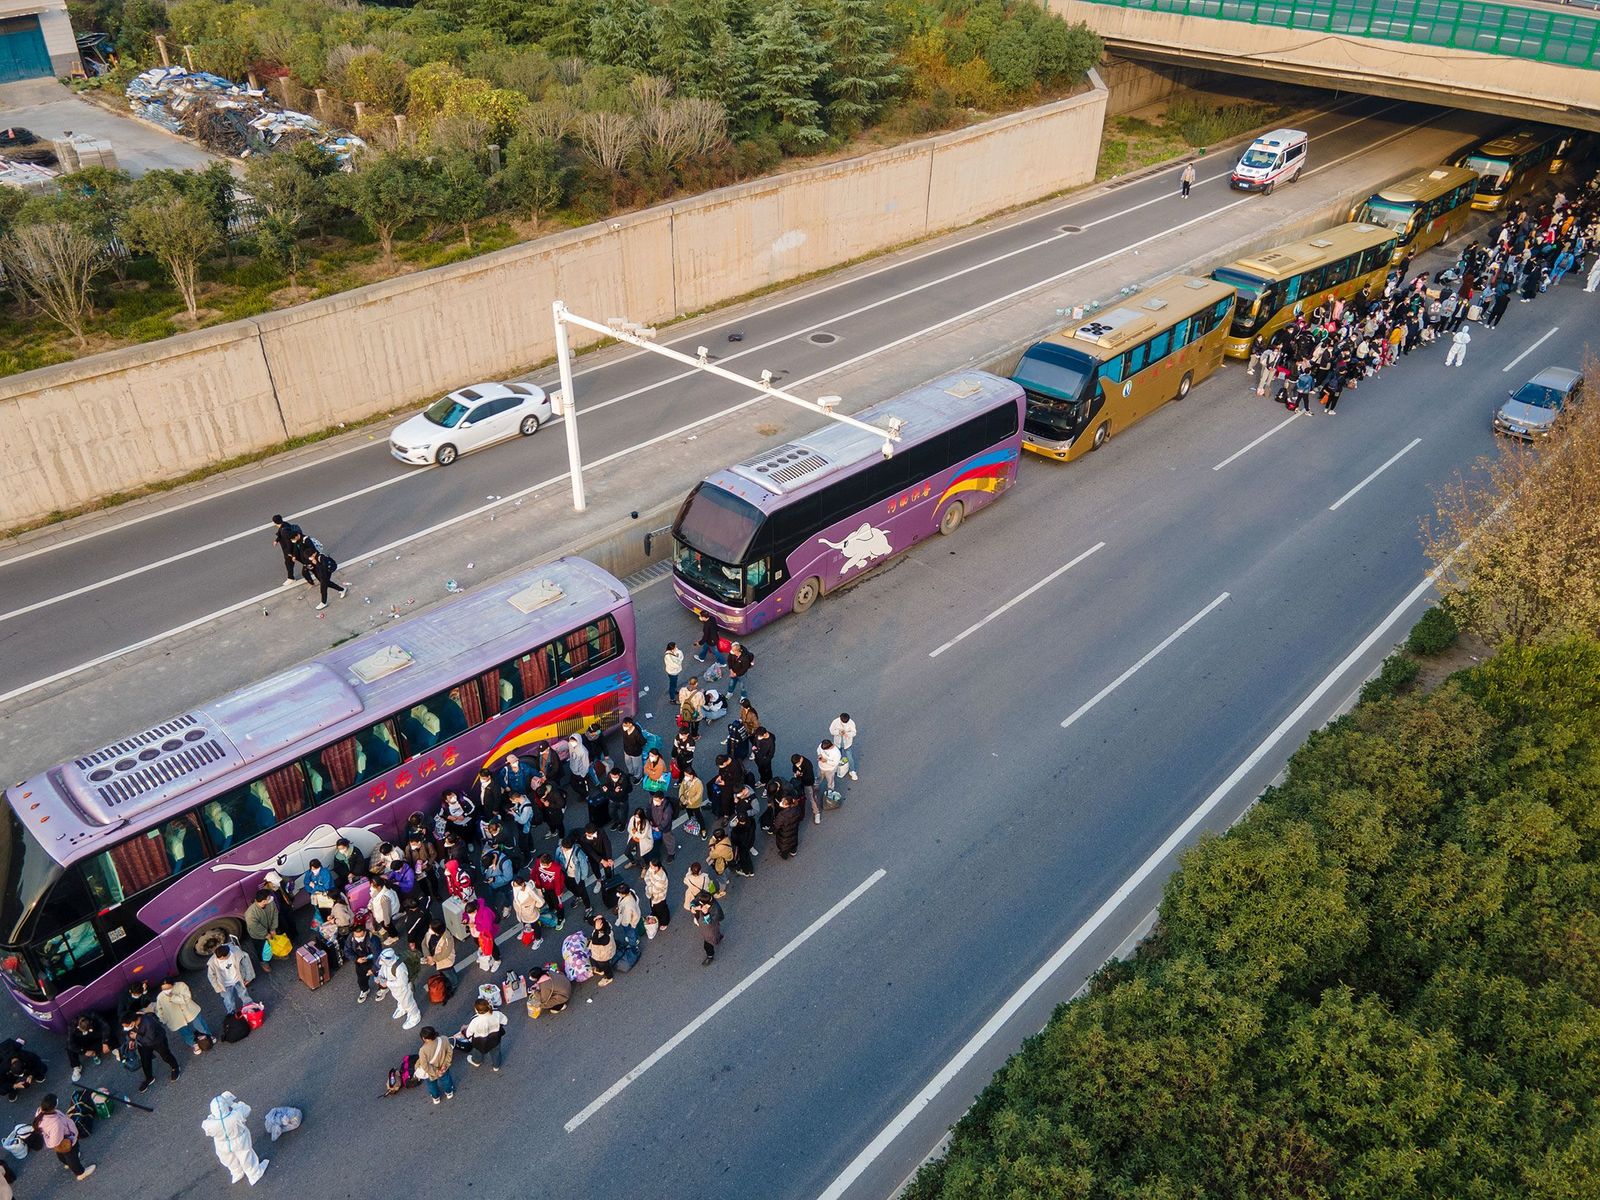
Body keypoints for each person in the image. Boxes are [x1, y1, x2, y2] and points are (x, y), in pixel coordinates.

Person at [203, 1091, 267, 1185]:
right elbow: (247, 1109)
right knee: (245, 1156)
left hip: (222, 1145)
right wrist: (232, 1104)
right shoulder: (236, 1115)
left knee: (229, 1159)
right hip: (239, 1141)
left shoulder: (210, 1124)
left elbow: (206, 1127)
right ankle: (254, 1174)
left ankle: (237, 1172)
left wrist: (212, 1116)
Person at [34, 1094, 94, 1181]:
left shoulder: (40, 1113)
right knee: (72, 1157)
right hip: (67, 1140)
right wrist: (71, 1138)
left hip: (60, 1142)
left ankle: (66, 1163)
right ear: (53, 1106)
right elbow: (55, 1141)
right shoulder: (55, 1124)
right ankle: (80, 1173)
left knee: (62, 1154)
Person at [122, 1010, 180, 1093]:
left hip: (157, 1041)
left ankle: (175, 1067)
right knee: (145, 1061)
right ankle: (149, 1078)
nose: (125, 1028)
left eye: (126, 1026)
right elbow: (130, 1033)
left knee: (166, 1055)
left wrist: (136, 1037)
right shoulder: (133, 1024)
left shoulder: (148, 1022)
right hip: (143, 1044)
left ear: (133, 1022)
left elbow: (150, 1039)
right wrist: (132, 1040)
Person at [155, 978, 213, 1054]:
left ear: (172, 985)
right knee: (185, 1032)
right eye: (164, 989)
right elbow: (159, 1010)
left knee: (200, 1024)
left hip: (190, 1011)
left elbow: (186, 999)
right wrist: (163, 1019)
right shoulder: (160, 997)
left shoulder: (181, 986)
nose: (166, 990)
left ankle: (208, 1036)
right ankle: (194, 1044)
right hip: (176, 1018)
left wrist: (173, 997)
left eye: (168, 988)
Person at [377, 947, 421, 1030]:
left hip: (404, 990)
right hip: (395, 989)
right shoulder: (387, 963)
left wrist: (387, 983)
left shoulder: (400, 968)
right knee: (399, 999)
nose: (380, 962)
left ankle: (415, 1016)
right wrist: (380, 976)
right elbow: (382, 969)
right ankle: (402, 1007)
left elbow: (402, 983)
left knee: (409, 1003)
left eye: (382, 960)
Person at [206, 942, 256, 1014]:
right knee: (228, 1000)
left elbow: (246, 964)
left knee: (243, 994)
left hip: (237, 979)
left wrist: (248, 977)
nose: (220, 959)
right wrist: (217, 987)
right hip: (224, 985)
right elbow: (211, 976)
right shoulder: (213, 962)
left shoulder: (235, 953)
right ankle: (231, 1013)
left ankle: (249, 1006)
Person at [67, 1012, 117, 1082]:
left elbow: (106, 1026)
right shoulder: (72, 1025)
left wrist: (105, 1043)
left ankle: (114, 1048)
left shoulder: (93, 1015)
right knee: (69, 1048)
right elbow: (70, 1043)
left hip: (95, 1036)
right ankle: (76, 1066)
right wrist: (84, 1051)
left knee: (109, 1035)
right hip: (84, 1042)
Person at [463, 998, 509, 1071]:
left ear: (476, 1010)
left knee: (478, 1051)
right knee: (496, 1052)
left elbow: (468, 1034)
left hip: (480, 1042)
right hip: (495, 1039)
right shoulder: (496, 1014)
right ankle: (496, 1066)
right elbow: (505, 1021)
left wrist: (464, 1030)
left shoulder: (475, 1021)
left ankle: (477, 1061)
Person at [243, 889, 279, 973]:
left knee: (272, 944)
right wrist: (266, 934)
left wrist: (273, 928)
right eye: (268, 898)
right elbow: (255, 927)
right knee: (261, 949)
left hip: (270, 929)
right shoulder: (250, 914)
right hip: (258, 936)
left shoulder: (270, 903)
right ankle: (263, 962)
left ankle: (274, 953)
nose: (270, 898)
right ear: (263, 901)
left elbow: (275, 914)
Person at [421, 919, 460, 991]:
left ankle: (454, 984)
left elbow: (445, 954)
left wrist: (432, 959)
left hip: (445, 962)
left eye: (430, 928)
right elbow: (424, 944)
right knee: (445, 972)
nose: (429, 929)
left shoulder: (447, 939)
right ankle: (448, 979)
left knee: (449, 973)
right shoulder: (429, 933)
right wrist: (428, 955)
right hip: (436, 961)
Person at [271, 515, 304, 586]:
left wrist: (290, 553)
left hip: (290, 551)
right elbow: (280, 534)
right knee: (292, 563)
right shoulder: (285, 524)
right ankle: (291, 577)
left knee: (290, 563)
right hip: (290, 550)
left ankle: (291, 578)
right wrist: (276, 540)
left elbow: (290, 543)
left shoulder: (284, 531)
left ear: (275, 523)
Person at [691, 895, 723, 966]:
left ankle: (710, 956)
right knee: (716, 932)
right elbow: (694, 901)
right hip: (711, 926)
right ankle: (718, 937)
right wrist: (693, 907)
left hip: (710, 929)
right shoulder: (706, 898)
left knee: (707, 944)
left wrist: (705, 913)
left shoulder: (713, 911)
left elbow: (707, 923)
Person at [643, 860, 671, 933]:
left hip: (659, 897)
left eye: (651, 866)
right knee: (654, 907)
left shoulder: (661, 877)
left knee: (662, 910)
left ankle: (665, 922)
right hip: (653, 896)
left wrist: (649, 886)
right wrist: (650, 885)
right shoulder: (652, 869)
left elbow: (655, 890)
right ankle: (655, 915)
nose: (650, 867)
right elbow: (647, 877)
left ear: (656, 867)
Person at [772, 791, 803, 860]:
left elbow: (777, 826)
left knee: (784, 846)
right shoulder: (797, 808)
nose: (780, 803)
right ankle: (793, 852)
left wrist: (774, 831)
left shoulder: (781, 815)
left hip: (784, 834)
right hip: (794, 830)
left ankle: (784, 856)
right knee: (793, 841)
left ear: (787, 805)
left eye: (782, 803)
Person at [588, 914, 617, 986]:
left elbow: (595, 941)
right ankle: (600, 970)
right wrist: (597, 918)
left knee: (605, 965)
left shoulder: (605, 938)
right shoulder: (606, 924)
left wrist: (596, 930)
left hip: (603, 955)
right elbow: (590, 920)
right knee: (597, 962)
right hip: (599, 953)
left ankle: (609, 977)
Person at [829, 713, 859, 781]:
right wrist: (838, 732)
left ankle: (852, 771)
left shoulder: (851, 723)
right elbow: (831, 731)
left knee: (850, 757)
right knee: (837, 757)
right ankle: (836, 769)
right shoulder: (835, 722)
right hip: (837, 743)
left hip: (847, 743)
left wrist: (846, 733)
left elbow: (854, 733)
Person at [620, 717, 646, 782]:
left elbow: (642, 742)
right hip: (627, 750)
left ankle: (638, 777)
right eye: (623, 725)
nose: (624, 727)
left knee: (636, 766)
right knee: (628, 763)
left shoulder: (636, 732)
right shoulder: (623, 729)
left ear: (630, 724)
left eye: (626, 725)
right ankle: (631, 772)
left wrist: (636, 747)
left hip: (635, 752)